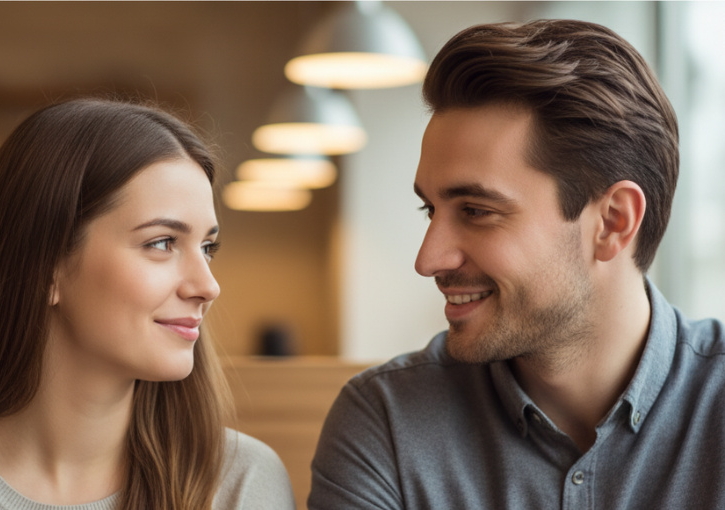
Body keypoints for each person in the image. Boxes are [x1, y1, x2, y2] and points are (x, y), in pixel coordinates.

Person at [309, 19, 725, 509]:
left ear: (613, 222)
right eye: (430, 209)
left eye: (477, 211)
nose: (427, 260)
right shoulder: (387, 423)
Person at [0, 98, 296, 510]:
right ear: (47, 266)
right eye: (162, 243)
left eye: (208, 247)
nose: (208, 285)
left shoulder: (241, 483)